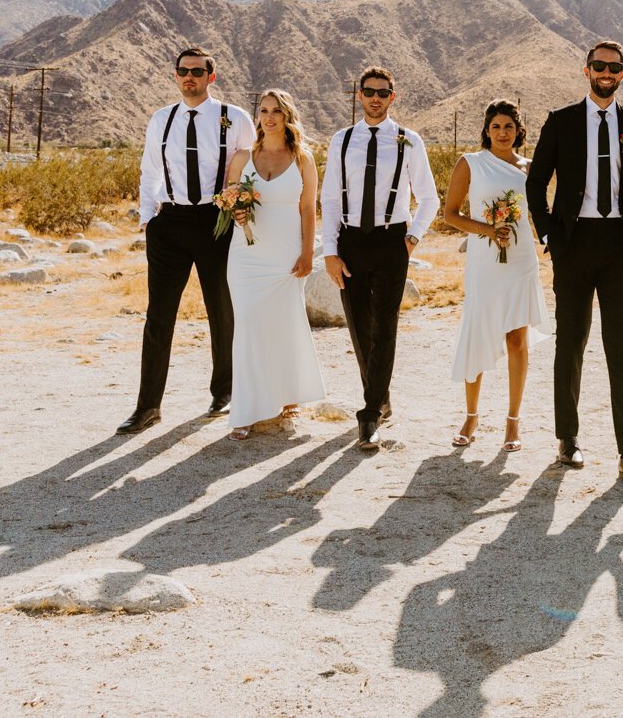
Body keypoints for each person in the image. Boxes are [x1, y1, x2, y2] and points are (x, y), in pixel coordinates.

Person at [526, 40, 623, 485]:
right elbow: (536, 183)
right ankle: (568, 439)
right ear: (586, 71)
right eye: (599, 65)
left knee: (622, 350)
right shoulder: (561, 122)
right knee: (571, 344)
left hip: (620, 246)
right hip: (574, 242)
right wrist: (550, 236)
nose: (606, 72)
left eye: (614, 67)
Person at [118, 46, 256, 434]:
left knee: (221, 309)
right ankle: (147, 407)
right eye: (183, 71)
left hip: (216, 221)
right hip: (171, 222)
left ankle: (224, 390)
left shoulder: (235, 118)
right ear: (175, 76)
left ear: (212, 77)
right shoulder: (161, 119)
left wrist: (241, 208)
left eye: (198, 71)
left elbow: (253, 168)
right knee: (158, 316)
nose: (189, 77)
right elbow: (149, 171)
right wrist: (149, 218)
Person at [320, 66, 439, 453]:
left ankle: (369, 414)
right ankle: (380, 395)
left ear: (393, 96)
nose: (375, 98)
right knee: (358, 325)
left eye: (382, 92)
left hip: (392, 241)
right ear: (359, 95)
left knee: (384, 327)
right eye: (369, 91)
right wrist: (331, 251)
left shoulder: (408, 141)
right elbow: (332, 199)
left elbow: (429, 197)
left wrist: (412, 239)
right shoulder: (342, 140)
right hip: (352, 240)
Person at [441, 100, 547, 453]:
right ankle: (471, 416)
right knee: (478, 333)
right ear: (487, 130)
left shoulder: (531, 169)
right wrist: (488, 230)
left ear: (519, 131)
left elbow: (541, 213)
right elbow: (451, 214)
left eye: (509, 127)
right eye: (496, 126)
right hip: (485, 263)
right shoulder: (470, 164)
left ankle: (513, 421)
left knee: (517, 340)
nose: (503, 133)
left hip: (520, 260)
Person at [220, 89, 326, 439]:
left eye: (276, 111)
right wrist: (234, 210)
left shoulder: (302, 159)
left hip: (286, 254)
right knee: (249, 326)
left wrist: (308, 252)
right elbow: (228, 198)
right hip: (247, 255)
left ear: (287, 116)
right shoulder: (241, 157)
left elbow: (308, 208)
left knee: (283, 324)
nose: (269, 117)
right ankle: (247, 409)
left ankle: (287, 396)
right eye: (263, 110)